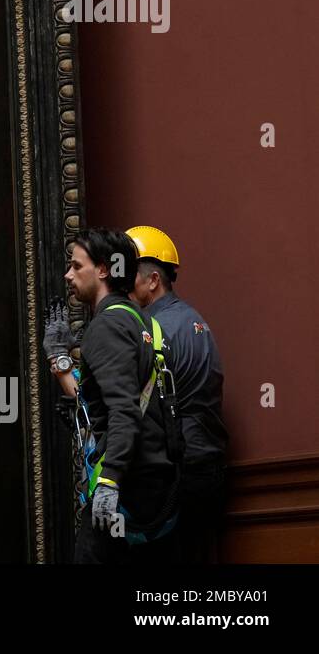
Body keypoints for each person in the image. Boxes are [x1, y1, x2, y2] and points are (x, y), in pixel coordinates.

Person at [65, 227, 179, 563]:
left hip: (124, 487)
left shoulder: (105, 327)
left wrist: (110, 480)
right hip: (156, 486)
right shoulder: (145, 323)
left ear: (103, 270)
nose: (68, 274)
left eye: (76, 266)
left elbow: (124, 410)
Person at [128, 225, 229, 563]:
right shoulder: (194, 320)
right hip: (208, 464)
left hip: (179, 471)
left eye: (129, 278)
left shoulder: (154, 331)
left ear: (153, 280)